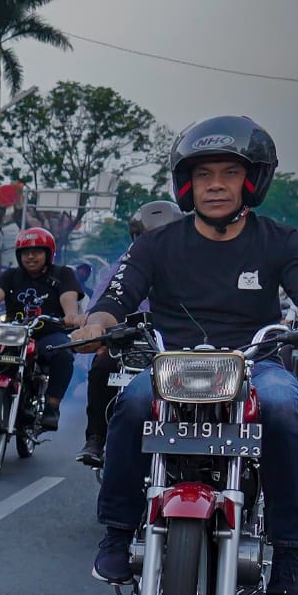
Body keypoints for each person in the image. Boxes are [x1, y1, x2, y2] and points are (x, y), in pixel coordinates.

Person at [70, 115, 298, 595]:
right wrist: (93, 325)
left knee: (284, 406)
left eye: (229, 173)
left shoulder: (281, 240)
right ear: (186, 183)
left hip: (255, 365)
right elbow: (117, 297)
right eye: (204, 173)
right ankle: (119, 530)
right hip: (173, 366)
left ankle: (294, 553)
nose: (215, 185)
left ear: (252, 180)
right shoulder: (156, 244)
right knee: (132, 401)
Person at [77, 200, 184, 466]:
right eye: (147, 239)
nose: (156, 247)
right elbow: (102, 303)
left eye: (165, 238)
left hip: (184, 348)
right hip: (133, 343)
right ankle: (96, 438)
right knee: (103, 363)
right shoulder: (122, 268)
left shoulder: (195, 267)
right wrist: (95, 325)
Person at [0, 226, 81, 431]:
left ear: (48, 254)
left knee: (63, 354)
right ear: (19, 255)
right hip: (13, 333)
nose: (31, 257)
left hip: (48, 334)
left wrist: (71, 315)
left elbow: (68, 297)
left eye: (37, 252)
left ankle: (52, 407)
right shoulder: (11, 276)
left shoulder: (63, 274)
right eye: (26, 253)